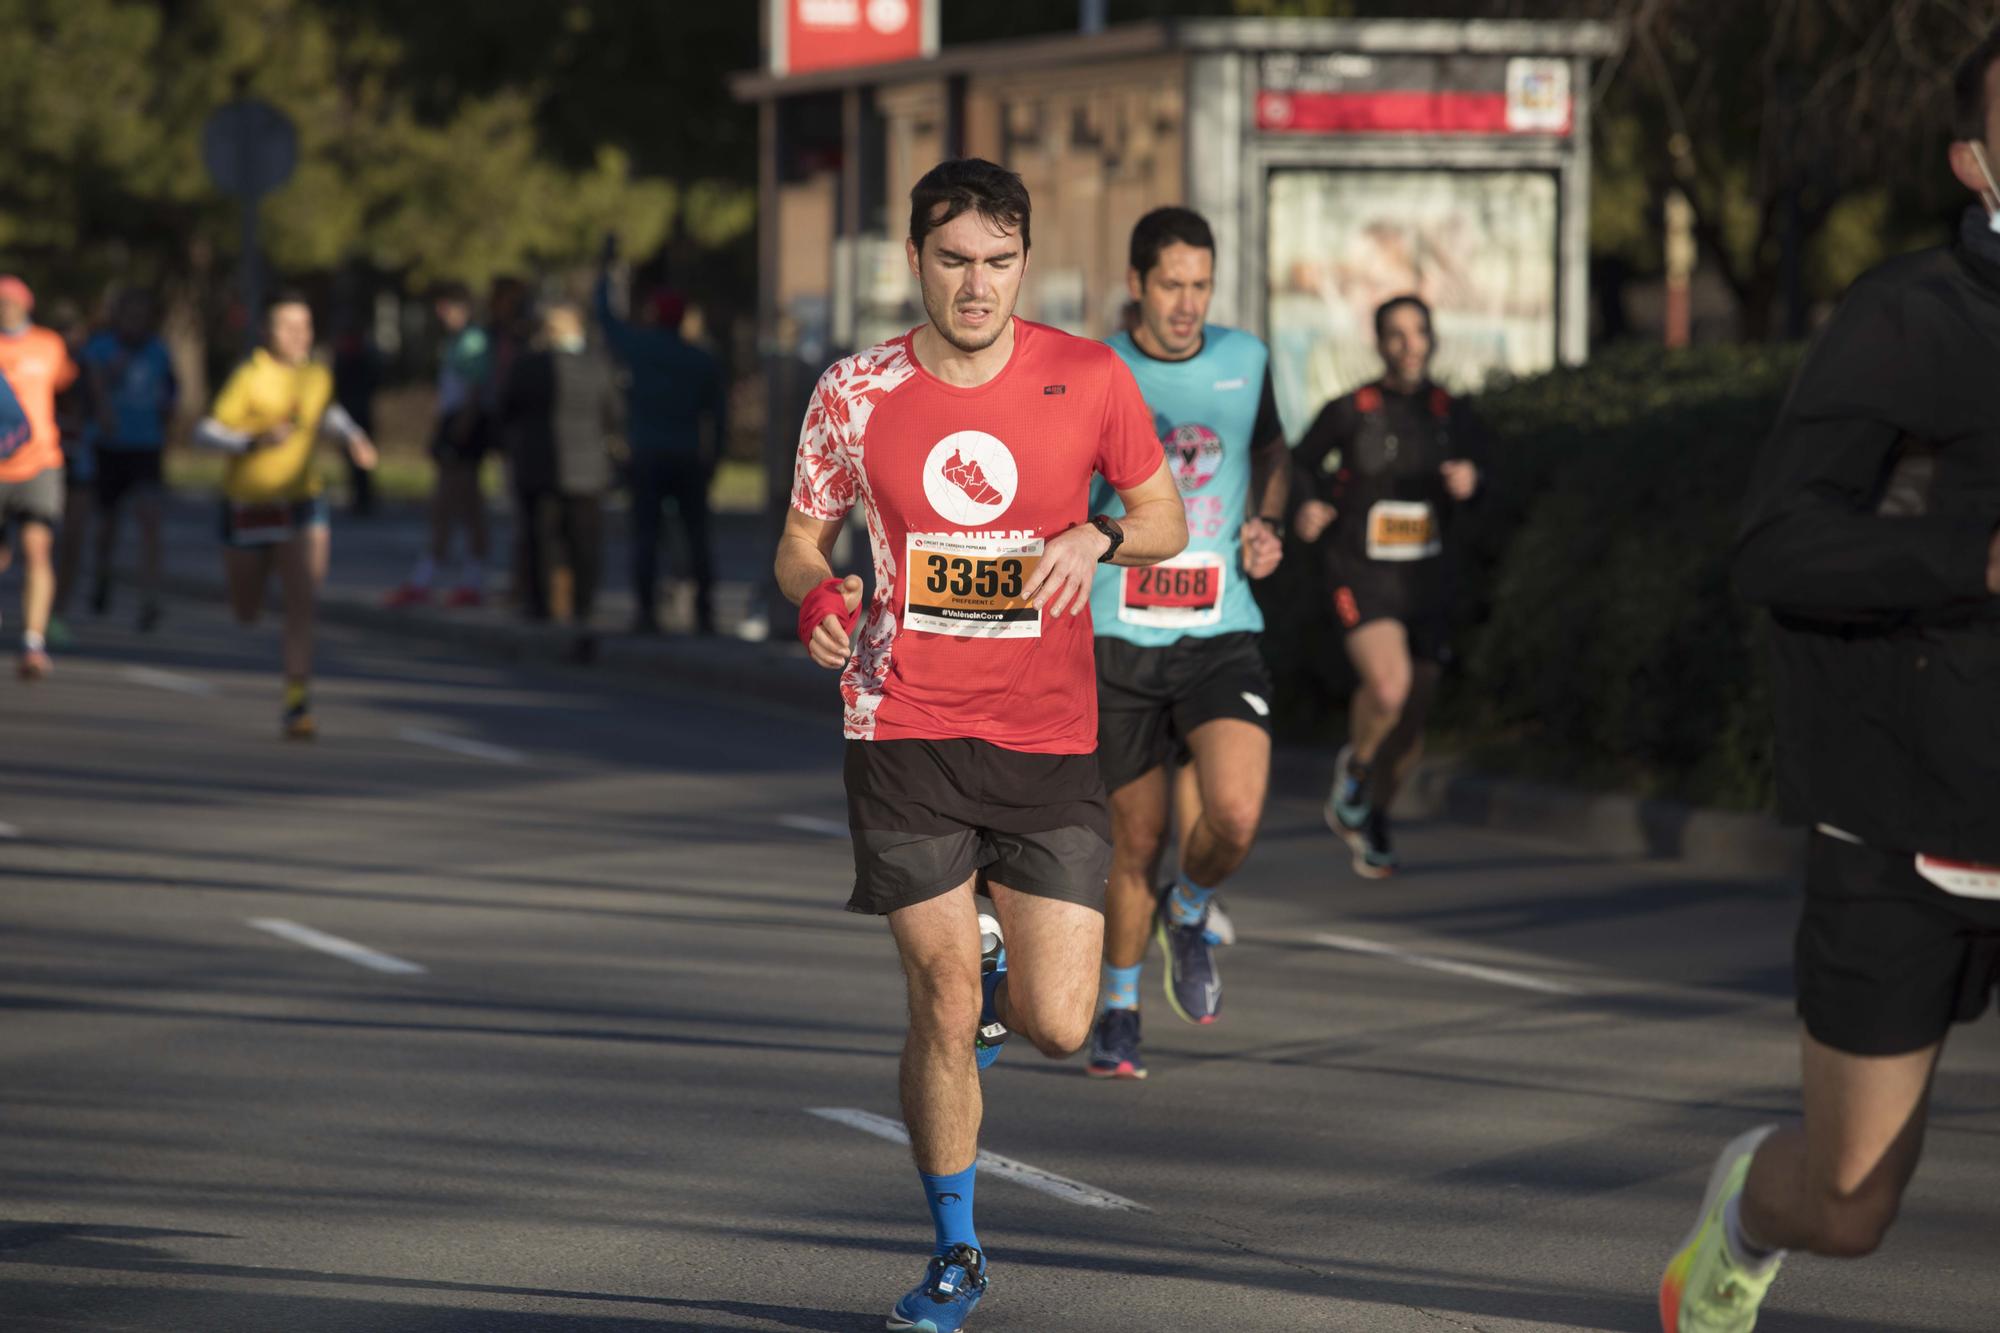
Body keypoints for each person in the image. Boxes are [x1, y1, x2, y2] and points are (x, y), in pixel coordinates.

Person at [777, 158, 1185, 1332]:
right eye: (953, 261)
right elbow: (800, 543)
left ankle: (1007, 976)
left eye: (998, 263)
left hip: (1049, 736)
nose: (976, 286)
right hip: (900, 723)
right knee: (940, 995)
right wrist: (817, 601)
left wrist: (1100, 536)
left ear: (1023, 262)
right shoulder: (854, 392)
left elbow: (1161, 513)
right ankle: (955, 1250)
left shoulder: (1089, 375)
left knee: (1060, 1023)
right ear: (914, 260)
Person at [1658, 28, 2000, 1332]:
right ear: (1975, 161)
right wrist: (1974, 554)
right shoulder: (1909, 319)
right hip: (1906, 814)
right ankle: (1750, 1210)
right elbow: (1778, 545)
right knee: (1850, 1202)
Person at [1082, 207, 1289, 1080]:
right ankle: (1119, 1010)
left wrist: (1267, 520)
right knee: (1139, 840)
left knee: (1234, 815)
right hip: (1118, 635)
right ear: (1136, 284)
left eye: (1201, 285)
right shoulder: (1096, 370)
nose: (1188, 303)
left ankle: (1192, 906)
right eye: (1172, 284)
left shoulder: (1245, 361)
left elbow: (1274, 444)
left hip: (1219, 628)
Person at [1292, 295, 1486, 877]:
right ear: (1379, 344)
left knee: (1413, 718)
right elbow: (1300, 464)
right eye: (1395, 334)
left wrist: (1473, 479)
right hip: (1362, 571)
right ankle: (1356, 767)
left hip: (1427, 579)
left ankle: (1372, 812)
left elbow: (1492, 472)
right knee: (1390, 686)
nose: (1409, 344)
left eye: (1418, 332)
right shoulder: (1352, 410)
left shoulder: (1452, 413)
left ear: (1432, 339)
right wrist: (1308, 507)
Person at [193, 290, 377, 738]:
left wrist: (353, 436)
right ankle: (255, 588)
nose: (298, 335)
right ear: (266, 331)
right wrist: (251, 442)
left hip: (300, 501)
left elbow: (325, 413)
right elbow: (206, 430)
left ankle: (297, 702)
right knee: (247, 610)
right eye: (287, 326)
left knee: (302, 602)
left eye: (305, 326)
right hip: (248, 504)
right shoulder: (251, 374)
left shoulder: (316, 373)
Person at [595, 244, 726, 635]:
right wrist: (712, 460)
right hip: (687, 454)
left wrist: (607, 272)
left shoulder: (640, 350)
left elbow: (606, 320)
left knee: (646, 535)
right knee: (697, 535)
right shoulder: (702, 360)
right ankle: (705, 612)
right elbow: (717, 417)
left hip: (648, 452)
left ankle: (647, 611)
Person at [500, 302, 619, 660]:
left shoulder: (528, 365)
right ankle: (583, 606)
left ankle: (540, 605)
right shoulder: (596, 366)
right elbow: (612, 412)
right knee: (584, 542)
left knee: (541, 538)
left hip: (538, 465)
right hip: (587, 468)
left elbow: (507, 409)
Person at [385, 283, 489, 608]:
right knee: (466, 505)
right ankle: (466, 578)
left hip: (462, 430)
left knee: (447, 505)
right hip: (455, 426)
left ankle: (427, 577)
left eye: (447, 307)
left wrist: (459, 430)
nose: (441, 314)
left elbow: (473, 389)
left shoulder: (472, 340)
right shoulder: (458, 340)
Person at [82, 288, 177, 631]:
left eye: (141, 316)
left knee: (150, 520)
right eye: (129, 315)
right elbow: (95, 394)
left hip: (145, 446)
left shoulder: (158, 351)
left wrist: (167, 424)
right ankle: (103, 575)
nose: (135, 323)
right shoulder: (101, 348)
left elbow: (170, 394)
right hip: (110, 447)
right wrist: (111, 375)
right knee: (107, 525)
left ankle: (150, 598)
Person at [0, 274, 80, 680]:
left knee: (37, 547)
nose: (6, 307)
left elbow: (69, 384)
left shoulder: (49, 344)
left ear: (27, 304)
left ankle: (33, 642)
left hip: (40, 462)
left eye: (12, 300)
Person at [48, 299, 96, 650]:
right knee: (33, 541)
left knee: (72, 540)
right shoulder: (34, 364)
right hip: (36, 461)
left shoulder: (88, 370)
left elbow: (104, 412)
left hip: (77, 460)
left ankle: (56, 613)